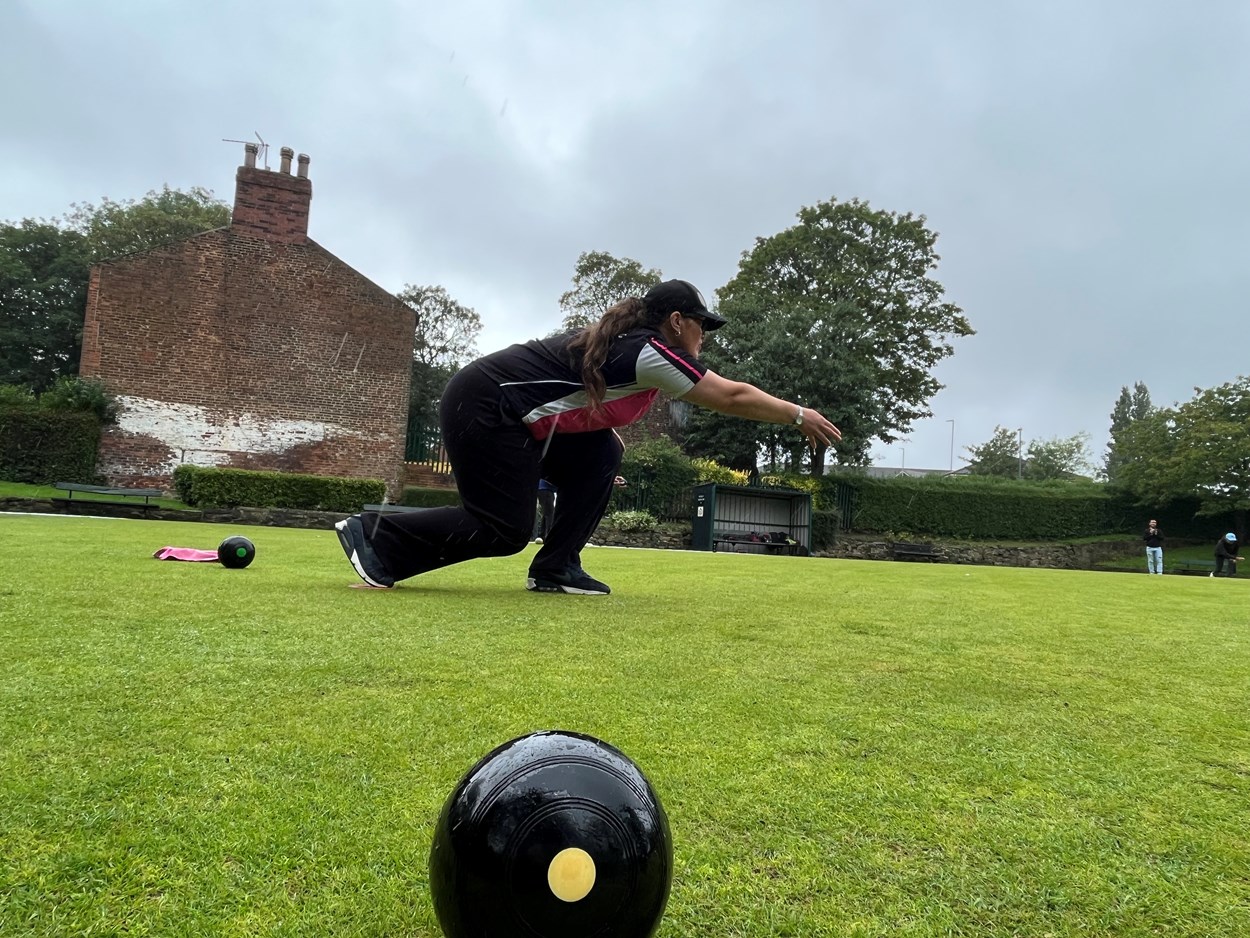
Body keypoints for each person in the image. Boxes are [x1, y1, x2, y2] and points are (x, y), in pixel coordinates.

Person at [334, 279, 841, 594]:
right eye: (701, 325)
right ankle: (377, 536)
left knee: (603, 452)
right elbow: (729, 397)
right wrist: (798, 414)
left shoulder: (636, 349)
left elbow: (583, 417)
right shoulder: (647, 351)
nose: (704, 335)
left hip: (516, 417)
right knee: (506, 528)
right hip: (484, 404)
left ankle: (557, 567)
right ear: (676, 321)